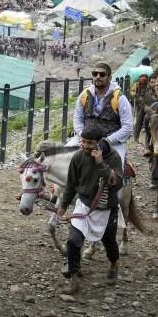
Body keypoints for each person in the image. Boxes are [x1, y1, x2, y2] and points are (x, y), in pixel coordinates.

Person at [55, 122, 126, 293]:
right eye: (84, 141)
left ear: (99, 142)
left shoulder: (114, 157)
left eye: (90, 143)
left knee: (109, 243)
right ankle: (74, 278)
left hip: (106, 208)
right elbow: (71, 184)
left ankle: (114, 264)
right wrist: (63, 205)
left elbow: (117, 184)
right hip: (84, 206)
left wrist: (101, 164)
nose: (86, 146)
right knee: (73, 241)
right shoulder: (78, 157)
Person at [72, 61, 134, 159]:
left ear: (110, 77)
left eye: (102, 74)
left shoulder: (119, 98)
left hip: (112, 142)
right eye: (95, 74)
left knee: (117, 164)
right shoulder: (84, 95)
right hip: (85, 139)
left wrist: (108, 140)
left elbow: (128, 126)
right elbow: (77, 118)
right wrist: (82, 135)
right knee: (64, 157)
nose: (98, 77)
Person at [131, 73, 158, 157]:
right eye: (152, 82)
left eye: (156, 82)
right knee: (145, 119)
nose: (154, 84)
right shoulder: (147, 93)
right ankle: (147, 147)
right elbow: (141, 114)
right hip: (149, 114)